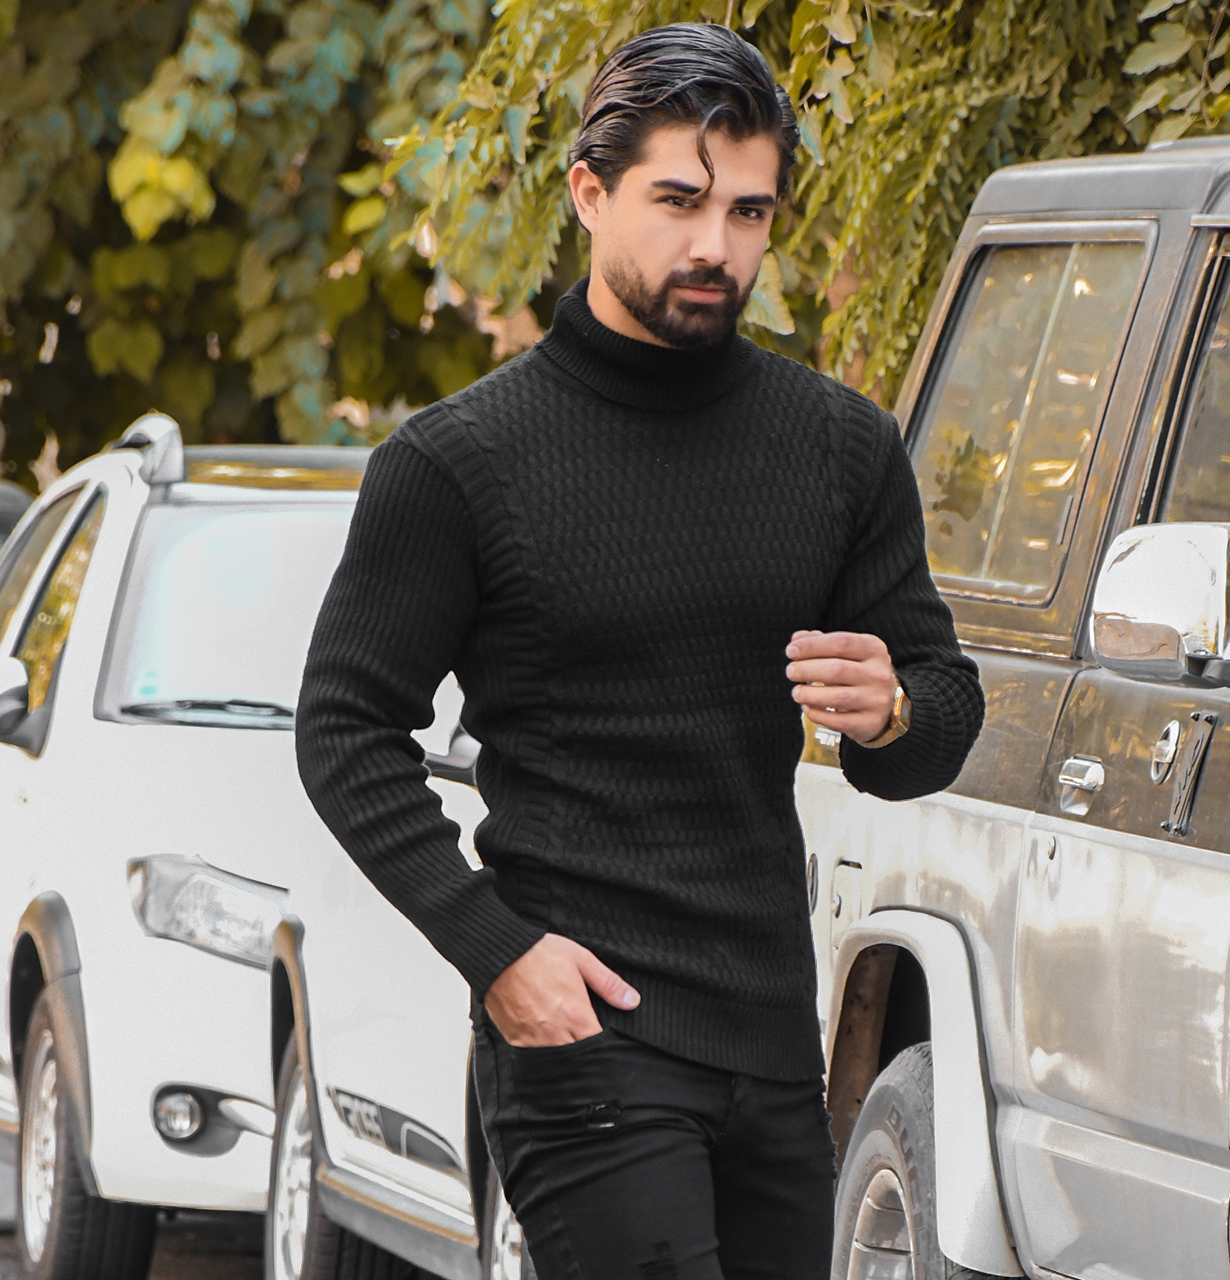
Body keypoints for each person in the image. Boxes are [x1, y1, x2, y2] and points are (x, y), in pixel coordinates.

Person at [296, 21, 983, 1280]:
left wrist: (891, 712)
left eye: (747, 211)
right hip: (580, 1034)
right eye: (677, 200)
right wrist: (496, 950)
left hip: (769, 1034)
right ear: (588, 191)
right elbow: (342, 729)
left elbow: (935, 714)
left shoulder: (838, 447)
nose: (714, 243)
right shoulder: (456, 462)